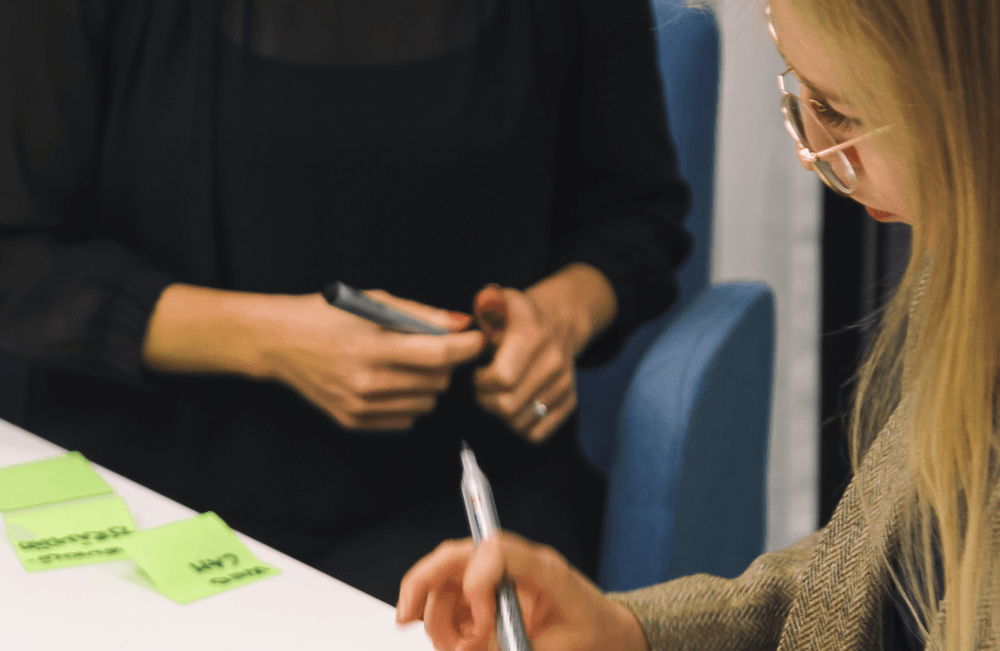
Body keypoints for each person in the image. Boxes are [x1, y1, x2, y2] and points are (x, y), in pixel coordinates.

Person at [397, 0, 1000, 651]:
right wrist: (631, 641)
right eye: (795, 95)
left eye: (842, 112)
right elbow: (902, 588)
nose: (814, 149)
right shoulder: (964, 258)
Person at [0, 1, 691, 604]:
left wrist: (557, 319)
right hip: (145, 494)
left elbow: (637, 214)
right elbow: (18, 257)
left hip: (459, 493)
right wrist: (268, 340)